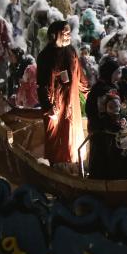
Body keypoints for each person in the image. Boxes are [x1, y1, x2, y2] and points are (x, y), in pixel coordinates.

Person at [36, 21, 89, 167]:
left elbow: (80, 78)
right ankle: (55, 168)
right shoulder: (45, 56)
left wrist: (90, 96)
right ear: (55, 35)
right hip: (55, 108)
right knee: (56, 142)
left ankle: (74, 167)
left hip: (72, 103)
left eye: (69, 33)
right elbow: (41, 85)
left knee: (73, 138)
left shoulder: (71, 52)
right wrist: (48, 106)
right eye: (65, 33)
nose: (68, 36)